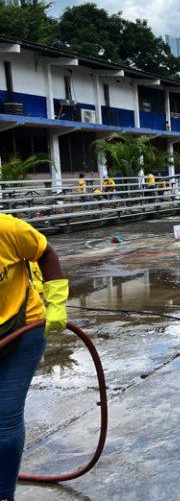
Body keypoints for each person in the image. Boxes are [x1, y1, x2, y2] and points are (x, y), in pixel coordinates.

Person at [0, 214, 68, 501]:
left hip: (21, 328)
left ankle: (3, 494)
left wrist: (57, 304)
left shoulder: (7, 230)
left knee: (5, 414)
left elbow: (45, 253)